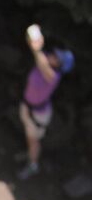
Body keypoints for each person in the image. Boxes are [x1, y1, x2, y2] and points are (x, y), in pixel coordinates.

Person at [16, 30, 74, 180]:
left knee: (33, 140)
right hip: (28, 107)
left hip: (38, 114)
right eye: (54, 53)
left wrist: (36, 47)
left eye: (56, 58)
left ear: (60, 66)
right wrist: (36, 46)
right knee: (31, 138)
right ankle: (30, 154)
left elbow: (40, 59)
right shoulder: (44, 64)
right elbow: (40, 59)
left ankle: (33, 165)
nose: (52, 56)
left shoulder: (53, 75)